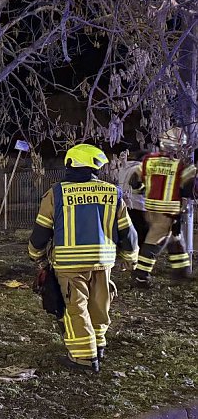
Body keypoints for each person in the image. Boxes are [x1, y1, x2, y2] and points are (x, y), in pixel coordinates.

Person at [28, 144, 138, 373]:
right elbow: (127, 231)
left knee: (75, 309)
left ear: (71, 164)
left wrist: (35, 253)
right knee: (100, 305)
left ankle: (84, 359)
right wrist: (130, 257)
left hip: (70, 264)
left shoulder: (57, 193)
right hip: (103, 261)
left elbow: (41, 231)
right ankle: (98, 346)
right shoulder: (112, 192)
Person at [131, 128, 196, 287]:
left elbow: (134, 182)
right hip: (168, 212)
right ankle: (140, 276)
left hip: (151, 209)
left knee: (175, 239)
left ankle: (182, 272)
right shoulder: (180, 165)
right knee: (155, 242)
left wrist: (145, 190)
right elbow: (190, 189)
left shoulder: (148, 160)